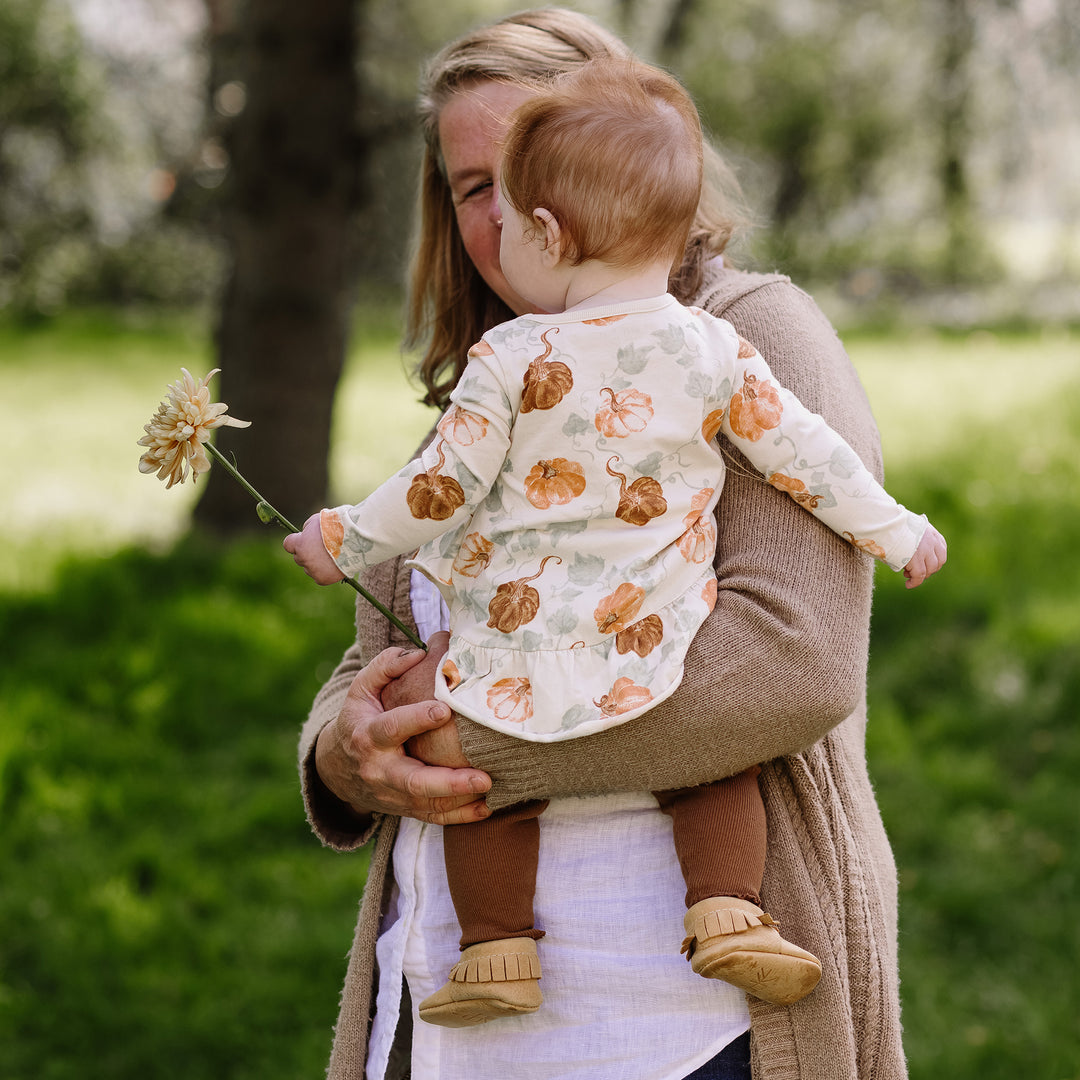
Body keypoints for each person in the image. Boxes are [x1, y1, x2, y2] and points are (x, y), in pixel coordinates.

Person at [298, 8, 917, 1080]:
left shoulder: (744, 337)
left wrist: (466, 744)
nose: (513, 215)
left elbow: (791, 659)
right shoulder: (501, 383)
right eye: (472, 186)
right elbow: (388, 650)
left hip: (675, 1019)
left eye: (529, 165)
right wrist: (341, 754)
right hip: (445, 1011)